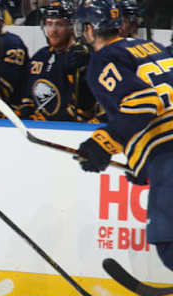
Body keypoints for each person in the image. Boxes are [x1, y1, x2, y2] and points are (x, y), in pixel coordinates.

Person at [74, 0, 173, 277]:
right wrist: (141, 161)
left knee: (169, 243)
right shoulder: (152, 47)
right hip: (164, 155)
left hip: (169, 152)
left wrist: (104, 142)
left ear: (91, 29)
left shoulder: (103, 59)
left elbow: (145, 102)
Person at [22, 0, 100, 122]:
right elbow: (28, 97)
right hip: (37, 127)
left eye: (59, 24)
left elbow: (86, 108)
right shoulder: (40, 56)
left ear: (72, 27)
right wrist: (27, 117)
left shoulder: (82, 57)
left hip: (68, 129)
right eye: (49, 24)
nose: (53, 30)